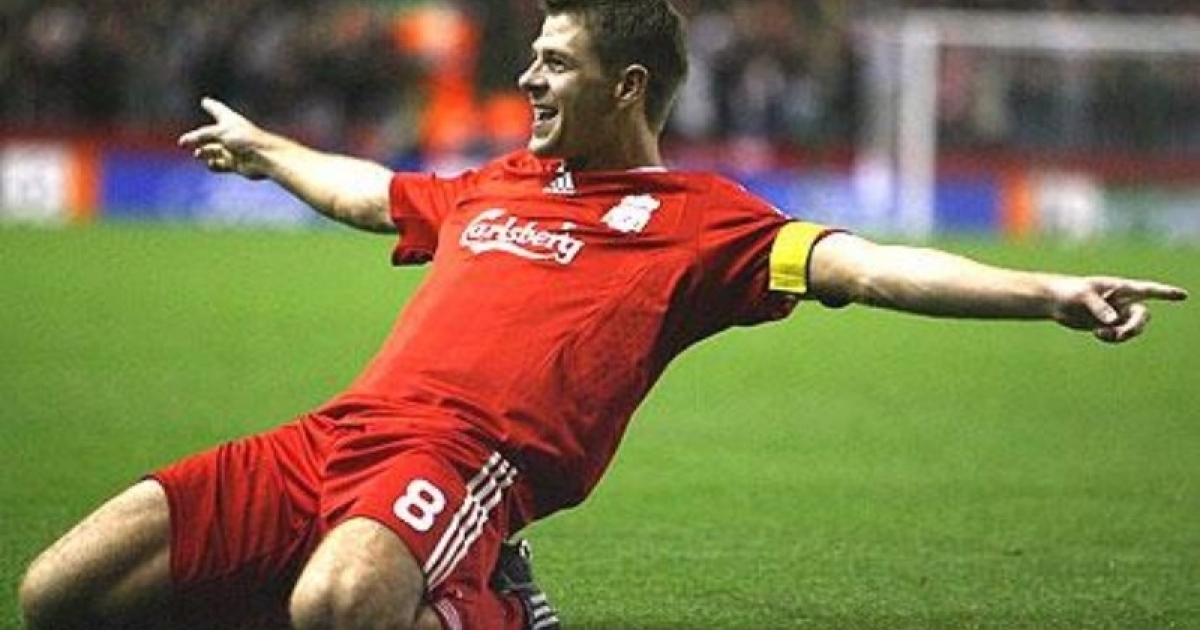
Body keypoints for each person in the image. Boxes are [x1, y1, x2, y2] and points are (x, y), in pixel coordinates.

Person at [18, 1, 1188, 630]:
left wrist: (1049, 294)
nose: (526, 79)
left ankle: (484, 596)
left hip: (460, 460)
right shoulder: (495, 182)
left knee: (337, 602)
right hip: (335, 436)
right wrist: (270, 150)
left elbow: (873, 267)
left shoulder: (705, 222)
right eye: (531, 58)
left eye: (552, 62)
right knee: (59, 595)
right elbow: (368, 193)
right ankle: (446, 583)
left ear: (625, 87)